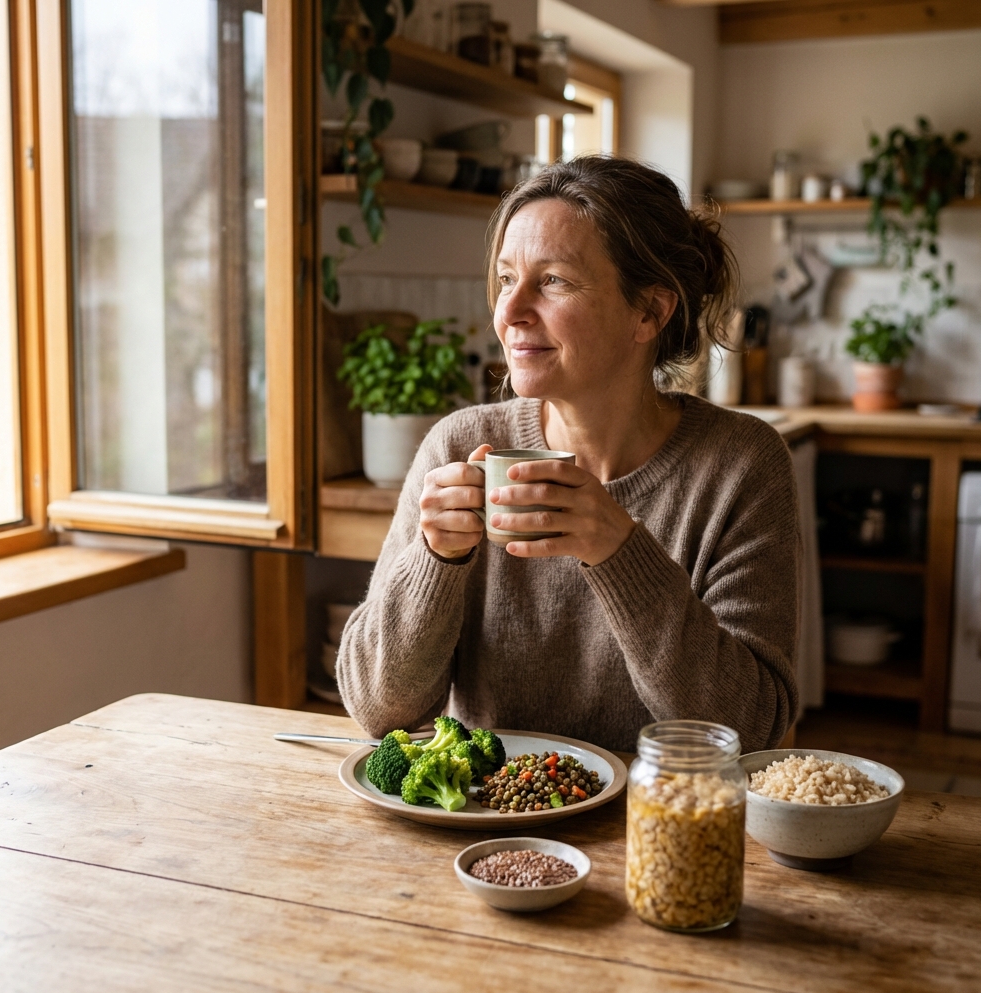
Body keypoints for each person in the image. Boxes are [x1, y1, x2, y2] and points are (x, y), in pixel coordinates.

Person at [338, 156, 799, 753]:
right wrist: (437, 561)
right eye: (506, 279)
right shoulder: (459, 447)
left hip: (658, 830)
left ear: (649, 312)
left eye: (552, 280)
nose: (509, 313)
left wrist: (620, 552)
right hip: (487, 826)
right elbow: (379, 712)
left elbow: (752, 727)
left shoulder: (741, 466)